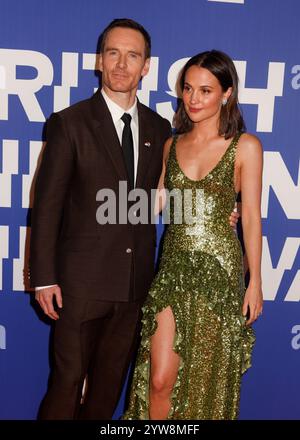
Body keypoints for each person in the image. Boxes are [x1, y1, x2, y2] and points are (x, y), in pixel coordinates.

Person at [30, 18, 239, 419]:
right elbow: (47, 206)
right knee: (67, 383)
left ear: (146, 66)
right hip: (79, 286)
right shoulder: (69, 123)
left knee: (107, 391)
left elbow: (156, 200)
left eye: (133, 56)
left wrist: (213, 213)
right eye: (113, 53)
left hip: (136, 287)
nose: (122, 64)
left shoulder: (163, 130)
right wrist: (44, 276)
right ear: (99, 61)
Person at [124, 50, 263, 420]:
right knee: (159, 379)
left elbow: (250, 215)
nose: (194, 99)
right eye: (188, 89)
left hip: (219, 274)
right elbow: (154, 207)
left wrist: (255, 281)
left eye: (205, 90)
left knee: (204, 379)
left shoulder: (245, 147)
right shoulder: (172, 145)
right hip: (173, 269)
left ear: (227, 94)